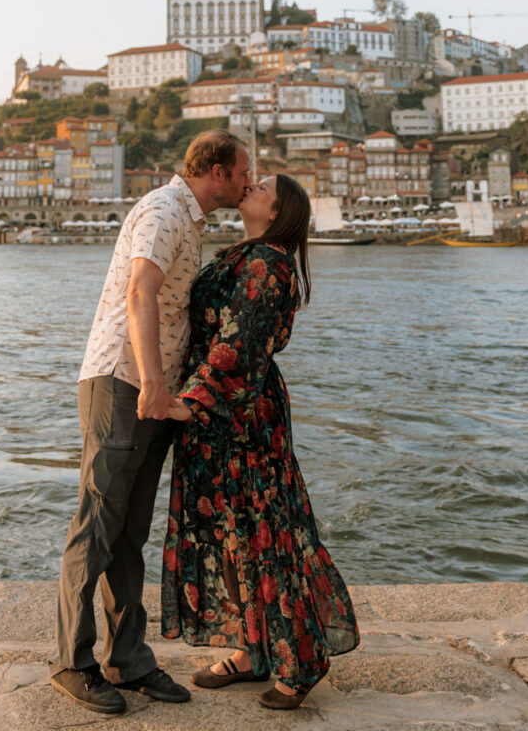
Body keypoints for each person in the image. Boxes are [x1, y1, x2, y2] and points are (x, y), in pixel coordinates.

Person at [49, 130, 251, 716]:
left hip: (150, 392)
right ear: (216, 170)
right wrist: (157, 381)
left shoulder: (190, 220)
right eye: (242, 171)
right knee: (96, 524)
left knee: (130, 532)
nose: (246, 181)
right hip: (123, 382)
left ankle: (128, 660)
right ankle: (72, 660)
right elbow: (141, 293)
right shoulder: (164, 211)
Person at [162, 174, 359, 710]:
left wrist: (186, 402)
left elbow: (241, 343)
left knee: (266, 537)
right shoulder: (247, 252)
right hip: (217, 415)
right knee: (231, 537)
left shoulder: (269, 264)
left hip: (242, 418)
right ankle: (252, 651)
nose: (252, 183)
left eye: (264, 184)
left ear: (277, 211)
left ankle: (301, 660)